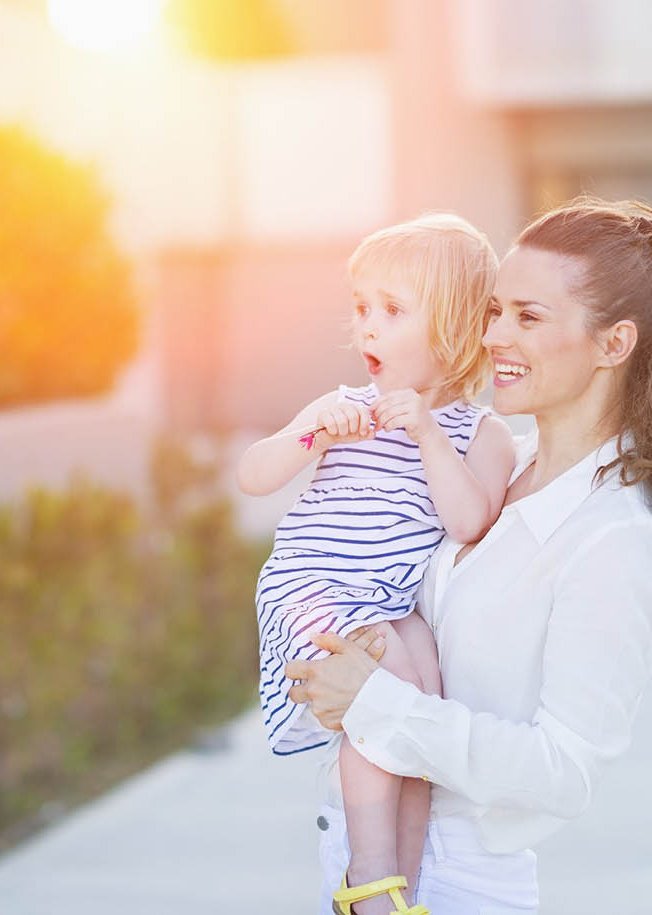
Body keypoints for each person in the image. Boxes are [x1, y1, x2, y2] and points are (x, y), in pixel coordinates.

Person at [286, 199, 652, 914]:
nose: (494, 335)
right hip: (366, 862)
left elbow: (563, 770)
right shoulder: (498, 468)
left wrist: (376, 702)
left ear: (614, 343)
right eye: (494, 310)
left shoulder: (614, 537)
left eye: (528, 317)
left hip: (454, 883)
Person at [237, 213, 516, 915]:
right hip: (316, 590)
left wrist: (425, 431)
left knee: (424, 708)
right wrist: (311, 433)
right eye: (362, 307)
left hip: (389, 601)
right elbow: (254, 474)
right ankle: (368, 880)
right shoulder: (344, 406)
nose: (367, 327)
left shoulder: (479, 433)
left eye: (392, 310)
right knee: (381, 691)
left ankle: (405, 886)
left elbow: (470, 518)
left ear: (452, 327)